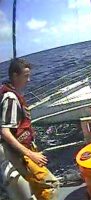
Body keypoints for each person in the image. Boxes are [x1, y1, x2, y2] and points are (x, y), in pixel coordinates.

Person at [0, 59, 59, 199]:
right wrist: (31, 155)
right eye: (26, 76)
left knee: (36, 185)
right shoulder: (10, 98)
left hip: (21, 149)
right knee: (51, 185)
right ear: (15, 75)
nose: (29, 80)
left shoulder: (6, 91)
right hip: (20, 154)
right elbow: (5, 132)